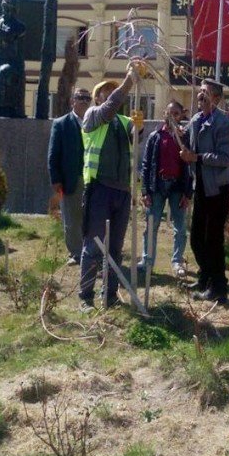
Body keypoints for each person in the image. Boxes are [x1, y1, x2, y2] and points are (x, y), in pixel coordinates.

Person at [79, 60, 143, 310]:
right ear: (97, 97)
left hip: (122, 192)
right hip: (99, 189)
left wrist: (138, 128)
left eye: (113, 89)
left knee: (115, 249)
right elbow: (109, 108)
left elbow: (134, 141)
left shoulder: (124, 120)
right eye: (105, 90)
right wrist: (129, 81)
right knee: (94, 245)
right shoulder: (93, 116)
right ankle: (86, 297)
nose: (111, 93)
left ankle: (110, 296)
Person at [180, 79, 229, 305]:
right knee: (196, 237)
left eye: (205, 93)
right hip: (202, 184)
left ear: (216, 98)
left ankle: (219, 288)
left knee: (212, 239)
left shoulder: (223, 124)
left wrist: (196, 158)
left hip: (219, 187)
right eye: (200, 92)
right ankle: (204, 279)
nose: (200, 96)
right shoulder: (197, 119)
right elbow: (189, 141)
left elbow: (224, 159)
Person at [138, 100, 192, 277]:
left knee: (180, 227)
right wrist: (145, 191)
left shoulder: (185, 137)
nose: (173, 117)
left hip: (177, 186)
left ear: (181, 115)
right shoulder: (155, 137)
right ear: (164, 115)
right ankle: (147, 261)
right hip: (158, 186)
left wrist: (188, 193)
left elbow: (189, 167)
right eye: (170, 113)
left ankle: (177, 262)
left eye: (176, 114)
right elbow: (146, 165)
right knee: (151, 225)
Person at [47, 87, 92, 265]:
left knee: (89, 217)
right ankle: (75, 253)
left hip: (92, 179)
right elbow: (53, 154)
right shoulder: (61, 123)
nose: (83, 101)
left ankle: (89, 250)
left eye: (87, 98)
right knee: (72, 218)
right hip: (71, 179)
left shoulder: (94, 123)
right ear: (72, 101)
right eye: (80, 97)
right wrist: (56, 180)